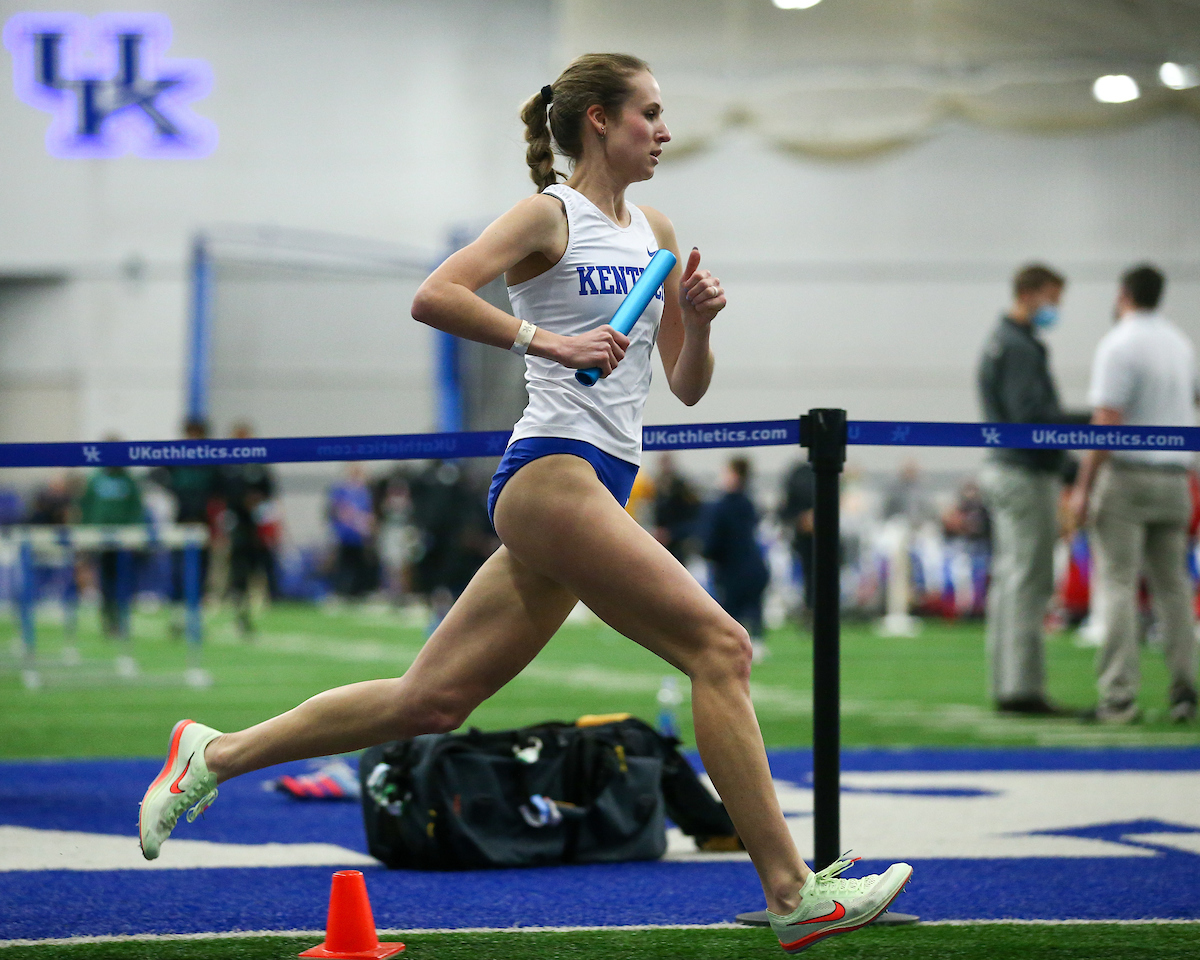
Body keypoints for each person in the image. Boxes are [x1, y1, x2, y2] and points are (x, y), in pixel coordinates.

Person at [138, 54, 911, 951]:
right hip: (553, 474)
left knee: (429, 703)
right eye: (649, 114)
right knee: (721, 647)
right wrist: (549, 340)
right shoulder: (551, 213)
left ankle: (214, 752)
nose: (664, 131)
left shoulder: (655, 230)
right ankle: (790, 892)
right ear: (598, 123)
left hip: (598, 482)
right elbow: (435, 295)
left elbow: (687, 389)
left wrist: (697, 323)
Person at [1068, 265, 1199, 725]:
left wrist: (1083, 487)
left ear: (1123, 293)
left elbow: (1105, 424)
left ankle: (1118, 698)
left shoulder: (1119, 344)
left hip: (1127, 477)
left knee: (1118, 585)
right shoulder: (1181, 345)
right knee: (1175, 590)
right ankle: (1185, 692)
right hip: (1176, 478)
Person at [977, 263, 1088, 715]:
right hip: (1023, 471)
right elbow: (1031, 416)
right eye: (1053, 298)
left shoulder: (1001, 341)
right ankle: (1022, 689)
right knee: (1030, 579)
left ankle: (1009, 683)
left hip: (1006, 469)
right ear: (1031, 293)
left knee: (1010, 580)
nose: (1056, 308)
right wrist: (1092, 420)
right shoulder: (1020, 347)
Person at [149, 418, 221, 636]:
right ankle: (177, 619)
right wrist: (171, 488)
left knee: (201, 574)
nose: (193, 437)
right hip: (180, 520)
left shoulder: (212, 459)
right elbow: (155, 472)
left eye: (197, 433)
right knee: (178, 574)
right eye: (190, 433)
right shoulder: (176, 457)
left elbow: (221, 487)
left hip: (204, 522)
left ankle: (195, 620)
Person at [703, 457, 771, 662]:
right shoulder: (748, 503)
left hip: (734, 566)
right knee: (751, 606)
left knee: (731, 610)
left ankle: (738, 646)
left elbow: (716, 537)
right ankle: (755, 641)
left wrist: (708, 551)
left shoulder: (725, 505)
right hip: (752, 564)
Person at [220, 422, 278, 639]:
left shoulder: (259, 466)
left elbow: (270, 491)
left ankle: (263, 604)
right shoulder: (228, 466)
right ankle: (239, 609)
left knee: (261, 568)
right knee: (238, 572)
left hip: (258, 526)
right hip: (237, 526)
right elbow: (223, 495)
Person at [78, 457, 144, 639]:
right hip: (100, 538)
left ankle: (123, 619)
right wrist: (86, 535)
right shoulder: (96, 479)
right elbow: (87, 507)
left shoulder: (129, 480)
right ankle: (109, 620)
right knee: (106, 580)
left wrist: (135, 534)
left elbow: (136, 508)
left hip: (124, 539)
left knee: (125, 580)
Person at [326, 462, 377, 600]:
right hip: (345, 534)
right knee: (344, 565)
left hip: (360, 536)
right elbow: (335, 510)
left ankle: (358, 592)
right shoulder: (340, 489)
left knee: (360, 565)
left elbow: (369, 512)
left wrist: (368, 527)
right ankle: (340, 591)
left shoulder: (365, 490)